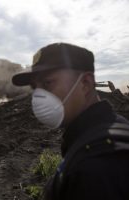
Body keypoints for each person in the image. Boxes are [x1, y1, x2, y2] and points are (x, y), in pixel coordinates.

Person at [12, 43, 129, 200]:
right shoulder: (112, 127)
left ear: (85, 84)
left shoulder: (96, 168)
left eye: (47, 83)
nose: (38, 96)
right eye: (35, 87)